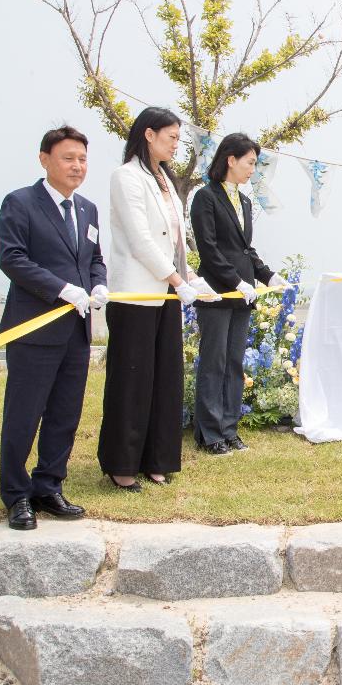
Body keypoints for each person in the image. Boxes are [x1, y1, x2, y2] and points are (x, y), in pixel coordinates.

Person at [99, 107, 220, 490]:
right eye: (170, 137)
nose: (176, 144)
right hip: (136, 293)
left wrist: (189, 278)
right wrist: (173, 278)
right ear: (148, 135)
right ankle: (121, 464)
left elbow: (174, 239)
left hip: (167, 293)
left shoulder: (165, 178)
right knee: (132, 381)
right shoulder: (127, 177)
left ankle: (157, 458)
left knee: (164, 380)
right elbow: (140, 240)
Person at [0, 126, 108, 530]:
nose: (77, 166)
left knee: (65, 414)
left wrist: (98, 283)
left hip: (76, 331)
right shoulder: (21, 203)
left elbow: (94, 258)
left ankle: (49, 485)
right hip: (33, 329)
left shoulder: (88, 209)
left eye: (82, 159)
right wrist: (62, 289)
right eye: (68, 158)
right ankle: (15, 494)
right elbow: (12, 259)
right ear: (45, 159)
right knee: (24, 414)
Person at [189, 132, 288, 455]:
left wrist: (266, 274)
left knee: (234, 363)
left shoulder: (244, 201)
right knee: (213, 362)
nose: (252, 170)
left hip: (243, 296)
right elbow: (210, 249)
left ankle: (230, 428)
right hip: (217, 293)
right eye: (249, 163)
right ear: (230, 159)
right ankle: (209, 432)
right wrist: (235, 282)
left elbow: (244, 249)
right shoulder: (206, 197)